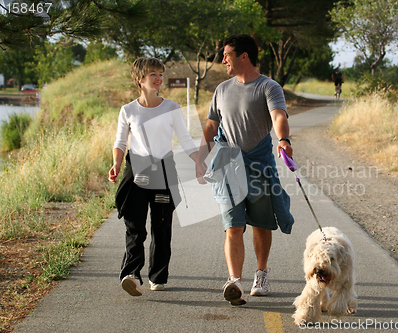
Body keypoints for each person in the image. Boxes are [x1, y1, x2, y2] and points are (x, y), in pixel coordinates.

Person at [195, 34, 294, 306]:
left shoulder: (268, 87)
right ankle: (235, 281)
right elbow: (212, 126)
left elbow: (278, 116)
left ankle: (261, 274)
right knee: (233, 225)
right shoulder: (222, 90)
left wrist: (284, 140)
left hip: (259, 164)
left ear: (244, 56)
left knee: (261, 224)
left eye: (227, 54)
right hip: (227, 164)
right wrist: (200, 158)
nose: (223, 59)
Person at [109, 57, 199, 296]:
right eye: (153, 74)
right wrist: (116, 164)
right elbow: (120, 141)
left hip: (163, 170)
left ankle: (158, 276)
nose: (159, 78)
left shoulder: (171, 108)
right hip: (137, 170)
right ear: (140, 79)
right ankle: (131, 274)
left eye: (160, 74)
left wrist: (199, 161)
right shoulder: (128, 110)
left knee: (161, 227)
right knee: (135, 227)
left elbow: (186, 139)